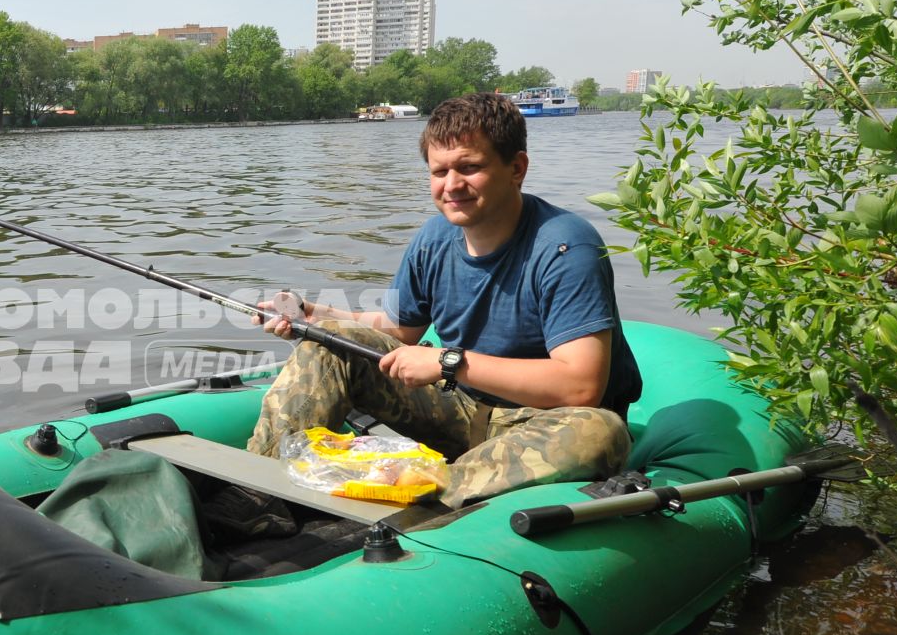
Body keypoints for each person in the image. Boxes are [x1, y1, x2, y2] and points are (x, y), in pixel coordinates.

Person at [248, 91, 639, 508]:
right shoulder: (434, 238)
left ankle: (425, 493)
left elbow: (580, 386)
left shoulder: (565, 246)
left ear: (516, 168)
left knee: (599, 432)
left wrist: (448, 362)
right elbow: (402, 329)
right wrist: (316, 314)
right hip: (457, 408)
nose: (452, 186)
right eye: (440, 171)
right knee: (326, 340)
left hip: (539, 422)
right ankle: (259, 497)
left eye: (470, 168)